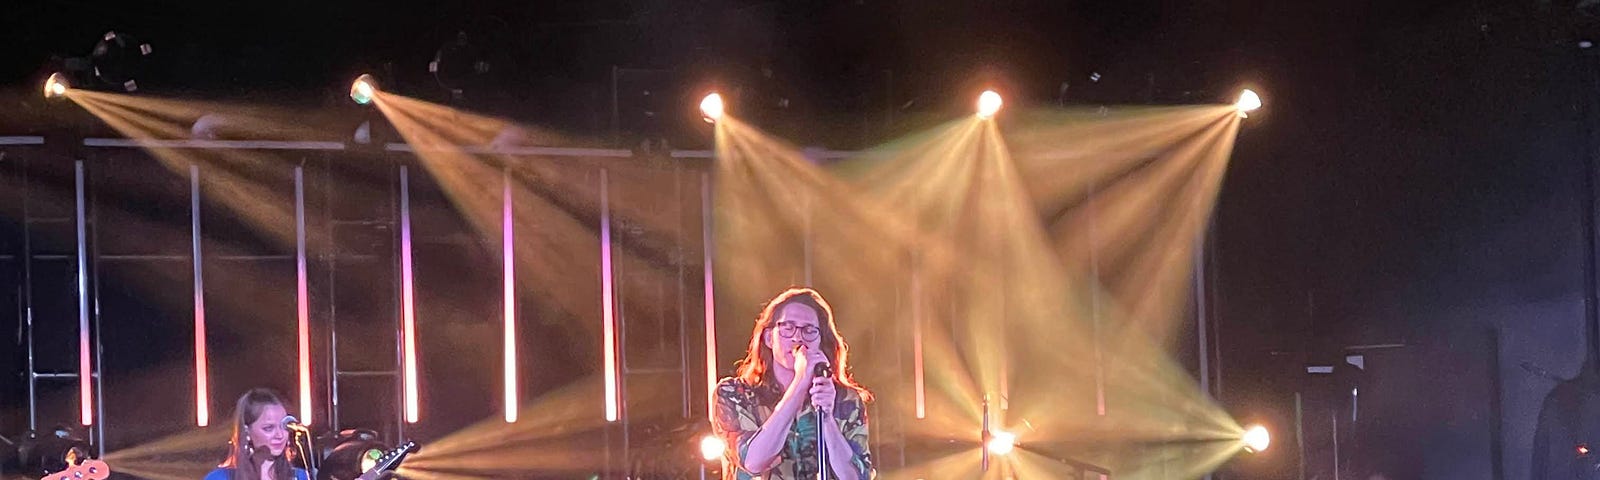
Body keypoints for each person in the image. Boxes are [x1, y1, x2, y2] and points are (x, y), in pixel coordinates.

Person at [711, 287, 873, 480]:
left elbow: (856, 477)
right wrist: (800, 383)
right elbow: (753, 462)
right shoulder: (735, 394)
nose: (798, 338)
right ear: (769, 337)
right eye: (788, 327)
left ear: (821, 340)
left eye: (809, 330)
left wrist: (828, 418)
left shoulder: (845, 400)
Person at [203, 388, 310, 480]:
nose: (280, 435)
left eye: (284, 426)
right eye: (269, 428)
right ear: (246, 431)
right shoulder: (220, 478)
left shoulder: (300, 476)